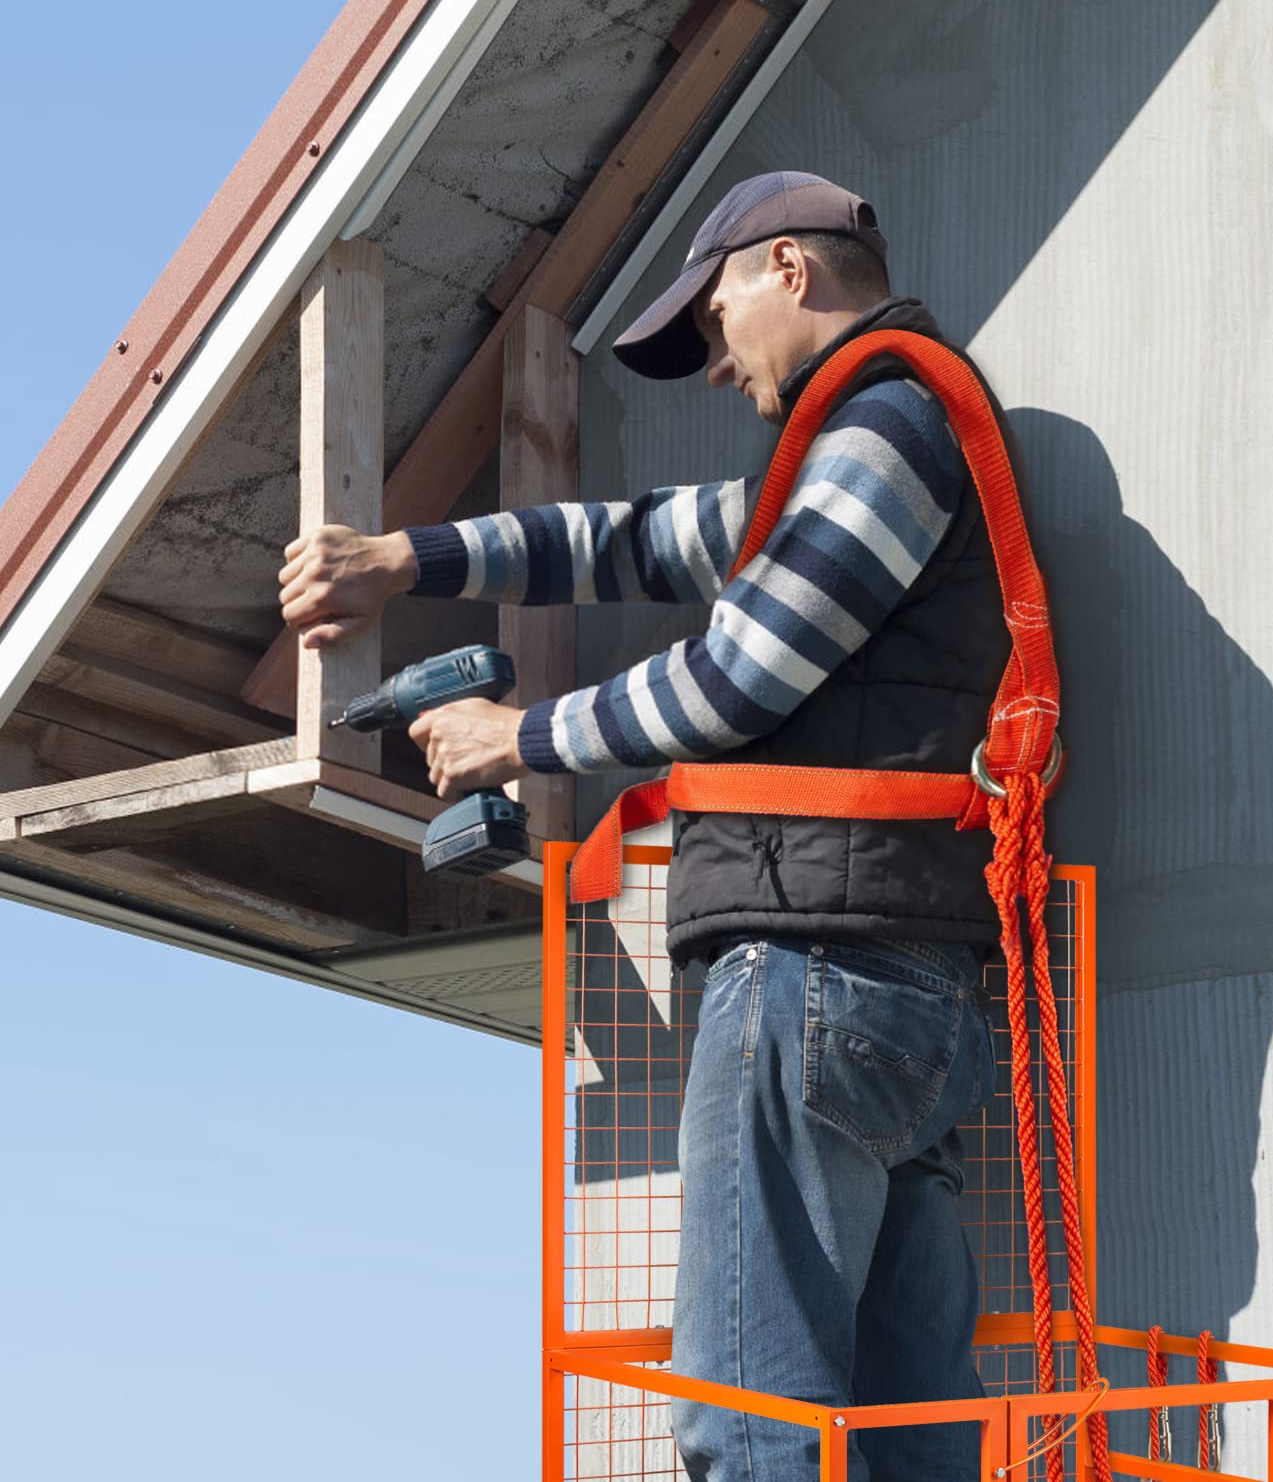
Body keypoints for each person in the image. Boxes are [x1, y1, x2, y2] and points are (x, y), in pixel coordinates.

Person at [278, 171, 1009, 1481]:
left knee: (749, 1421)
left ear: (789, 266)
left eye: (715, 316)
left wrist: (523, 735)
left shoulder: (884, 429)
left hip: (811, 968)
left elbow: (741, 678)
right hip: (909, 982)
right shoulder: (850, 454)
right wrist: (408, 561)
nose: (715, 363)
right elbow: (627, 541)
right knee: (909, 1436)